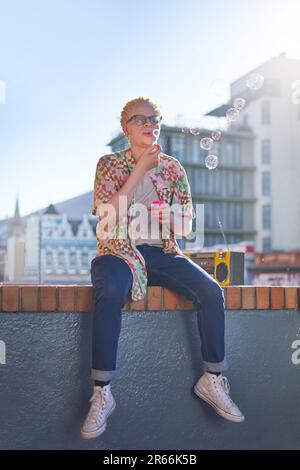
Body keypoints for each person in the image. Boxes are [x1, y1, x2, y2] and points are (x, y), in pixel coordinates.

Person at [80, 97, 244, 440]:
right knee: (109, 290)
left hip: (162, 252)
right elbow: (107, 216)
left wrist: (169, 216)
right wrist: (139, 170)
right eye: (139, 119)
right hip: (119, 251)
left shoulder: (173, 168)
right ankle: (102, 393)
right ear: (125, 127)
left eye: (154, 118)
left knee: (212, 292)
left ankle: (211, 379)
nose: (149, 123)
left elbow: (186, 225)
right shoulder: (109, 164)